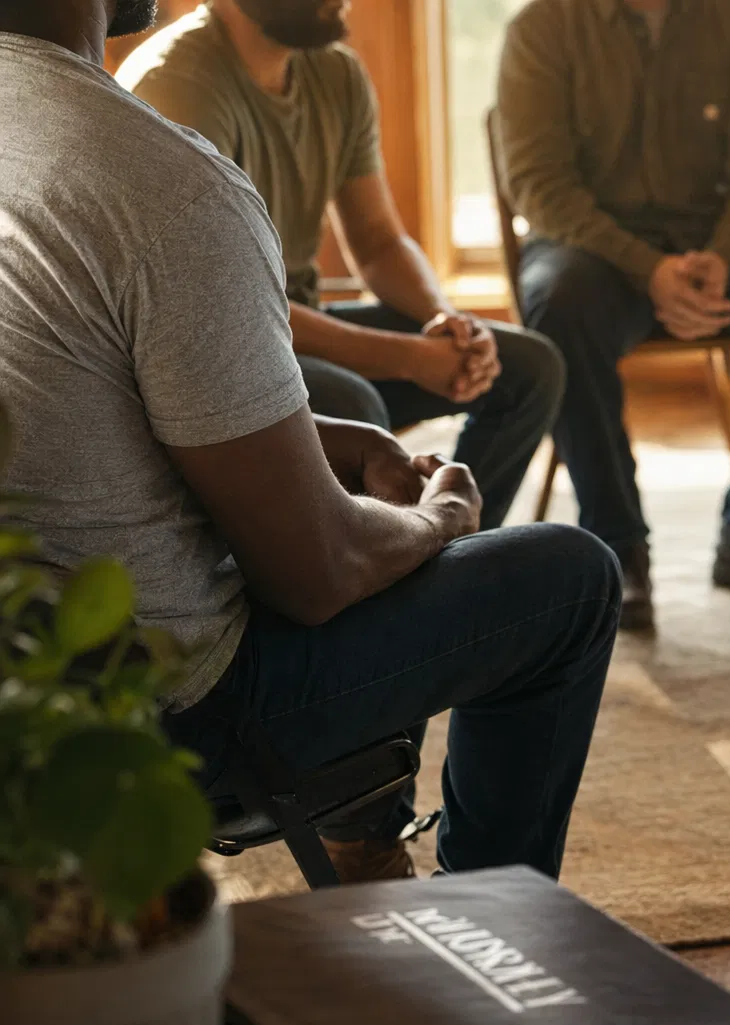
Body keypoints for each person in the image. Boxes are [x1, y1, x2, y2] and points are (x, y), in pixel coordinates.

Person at [0, 0, 619, 885]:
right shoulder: (162, 177)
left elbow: (76, 377)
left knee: (399, 471)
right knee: (570, 580)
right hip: (166, 711)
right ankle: (492, 926)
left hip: (30, 676)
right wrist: (442, 520)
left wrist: (318, 435)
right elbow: (317, 573)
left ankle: (365, 831)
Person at [118, 0, 566, 533]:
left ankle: (445, 556)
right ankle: (373, 574)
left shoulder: (335, 72)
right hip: (217, 351)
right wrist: (410, 358)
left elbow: (378, 242)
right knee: (353, 406)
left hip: (290, 323)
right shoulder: (177, 86)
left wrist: (444, 324)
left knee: (528, 369)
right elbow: (230, 304)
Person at [496, 0, 730, 631]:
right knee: (558, 304)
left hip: (714, 247)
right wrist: (647, 269)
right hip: (591, 252)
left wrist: (721, 259)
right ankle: (616, 543)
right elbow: (539, 185)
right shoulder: (543, 27)